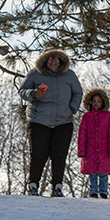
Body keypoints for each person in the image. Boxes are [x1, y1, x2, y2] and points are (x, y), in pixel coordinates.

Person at [18, 49, 83, 197]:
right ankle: (33, 185)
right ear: (44, 60)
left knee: (59, 156)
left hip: (63, 121)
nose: (53, 61)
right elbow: (22, 91)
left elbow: (78, 92)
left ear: (61, 60)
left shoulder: (69, 75)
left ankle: (57, 187)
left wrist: (72, 109)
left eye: (56, 59)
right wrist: (33, 93)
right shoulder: (35, 74)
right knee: (38, 155)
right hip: (38, 121)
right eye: (50, 59)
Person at [77, 87, 110, 198]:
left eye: (99, 101)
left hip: (105, 150)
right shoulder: (86, 116)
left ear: (103, 102)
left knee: (104, 173)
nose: (96, 103)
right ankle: (93, 192)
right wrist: (81, 151)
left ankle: (104, 192)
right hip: (90, 150)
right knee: (92, 173)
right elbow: (82, 134)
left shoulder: (108, 116)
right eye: (94, 101)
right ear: (90, 102)